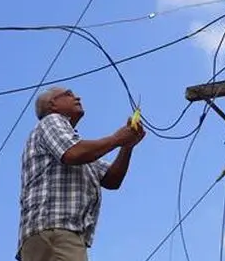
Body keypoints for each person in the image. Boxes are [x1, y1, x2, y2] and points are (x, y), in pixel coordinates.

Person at [16, 86, 146, 261]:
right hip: (54, 229)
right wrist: (117, 139)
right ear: (52, 104)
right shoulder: (51, 121)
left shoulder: (80, 148)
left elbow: (112, 180)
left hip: (58, 233)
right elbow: (73, 153)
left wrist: (127, 145)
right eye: (69, 94)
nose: (77, 98)